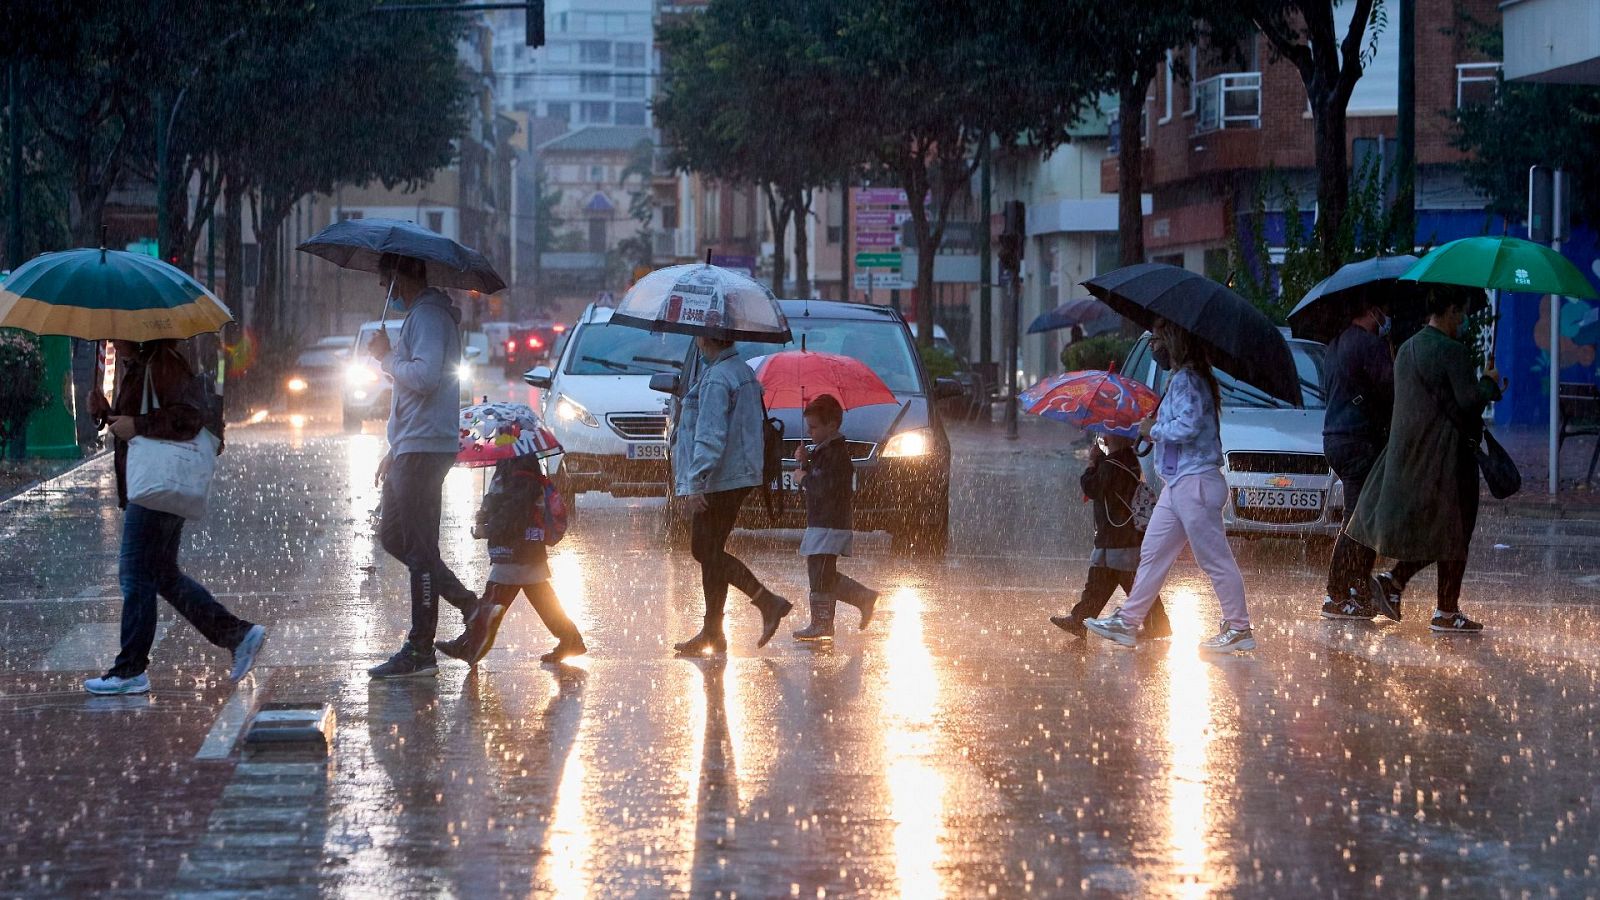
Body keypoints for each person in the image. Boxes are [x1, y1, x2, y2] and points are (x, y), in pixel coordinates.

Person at [83, 340, 265, 695]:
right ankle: (237, 635)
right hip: (154, 484)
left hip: (157, 485)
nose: (112, 340)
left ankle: (130, 670)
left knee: (135, 574)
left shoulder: (163, 363)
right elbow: (131, 423)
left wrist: (137, 423)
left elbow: (187, 416)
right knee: (162, 574)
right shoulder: (139, 365)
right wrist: (104, 412)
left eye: (117, 333)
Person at [1085, 320, 1255, 654]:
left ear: (1173, 341)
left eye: (1157, 340)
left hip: (1196, 484)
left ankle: (1238, 627)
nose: (1152, 347)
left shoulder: (1189, 380)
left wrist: (1155, 429)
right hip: (1178, 485)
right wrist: (1155, 424)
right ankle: (1129, 621)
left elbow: (1189, 426)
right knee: (1151, 553)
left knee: (1215, 560)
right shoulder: (1181, 378)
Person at [1346, 289, 1502, 633]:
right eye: (1460, 313)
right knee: (1456, 531)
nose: (1463, 321)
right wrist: (1489, 385)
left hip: (1407, 453)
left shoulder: (1407, 349)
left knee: (1442, 530)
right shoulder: (1452, 351)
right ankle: (1442, 610)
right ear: (1448, 310)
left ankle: (1400, 584)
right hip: (1447, 456)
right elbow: (1468, 402)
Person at [367, 253, 478, 679]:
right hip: (410, 447)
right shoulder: (420, 316)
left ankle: (420, 648)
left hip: (426, 449)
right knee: (395, 537)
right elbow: (413, 394)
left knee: (418, 550)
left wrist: (386, 358)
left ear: (403, 274)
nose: (385, 290)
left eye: (386, 281)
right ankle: (468, 604)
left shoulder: (429, 317)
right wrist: (394, 449)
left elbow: (428, 377)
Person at [671, 335, 792, 655]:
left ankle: (766, 601)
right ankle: (713, 632)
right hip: (737, 474)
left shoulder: (717, 378)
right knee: (711, 551)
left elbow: (710, 435)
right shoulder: (741, 372)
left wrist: (696, 482)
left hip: (720, 478)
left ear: (704, 338)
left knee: (704, 550)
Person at [437, 455, 586, 665]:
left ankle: (469, 645)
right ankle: (570, 639)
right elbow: (502, 496)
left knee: (493, 600)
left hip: (517, 545)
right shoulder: (510, 459)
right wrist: (486, 512)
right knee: (538, 595)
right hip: (521, 545)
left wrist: (489, 529)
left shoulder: (521, 463)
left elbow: (516, 508)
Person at [1318, 301, 1404, 621]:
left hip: (1336, 437)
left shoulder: (1336, 344)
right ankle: (1343, 595)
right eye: (1383, 312)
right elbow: (1392, 392)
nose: (1387, 318)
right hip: (1359, 441)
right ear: (1372, 310)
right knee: (1360, 521)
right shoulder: (1369, 344)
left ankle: (1347, 592)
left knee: (1358, 519)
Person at [1050, 432, 1172, 640]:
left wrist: (1091, 462)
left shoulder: (1112, 464)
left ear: (1111, 439)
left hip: (1118, 537)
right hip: (1120, 535)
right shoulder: (1127, 459)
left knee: (1133, 582)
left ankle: (1157, 624)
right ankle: (1080, 620)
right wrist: (1099, 460)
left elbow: (1093, 486)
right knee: (1100, 581)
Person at [790, 394, 878, 641]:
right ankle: (850, 605)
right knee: (819, 570)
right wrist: (806, 462)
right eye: (809, 427)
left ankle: (827, 620)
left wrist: (803, 478)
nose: (810, 432)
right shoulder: (825, 451)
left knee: (820, 572)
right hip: (823, 521)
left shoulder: (836, 455)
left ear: (832, 426)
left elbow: (823, 487)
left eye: (815, 427)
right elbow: (819, 480)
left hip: (830, 522)